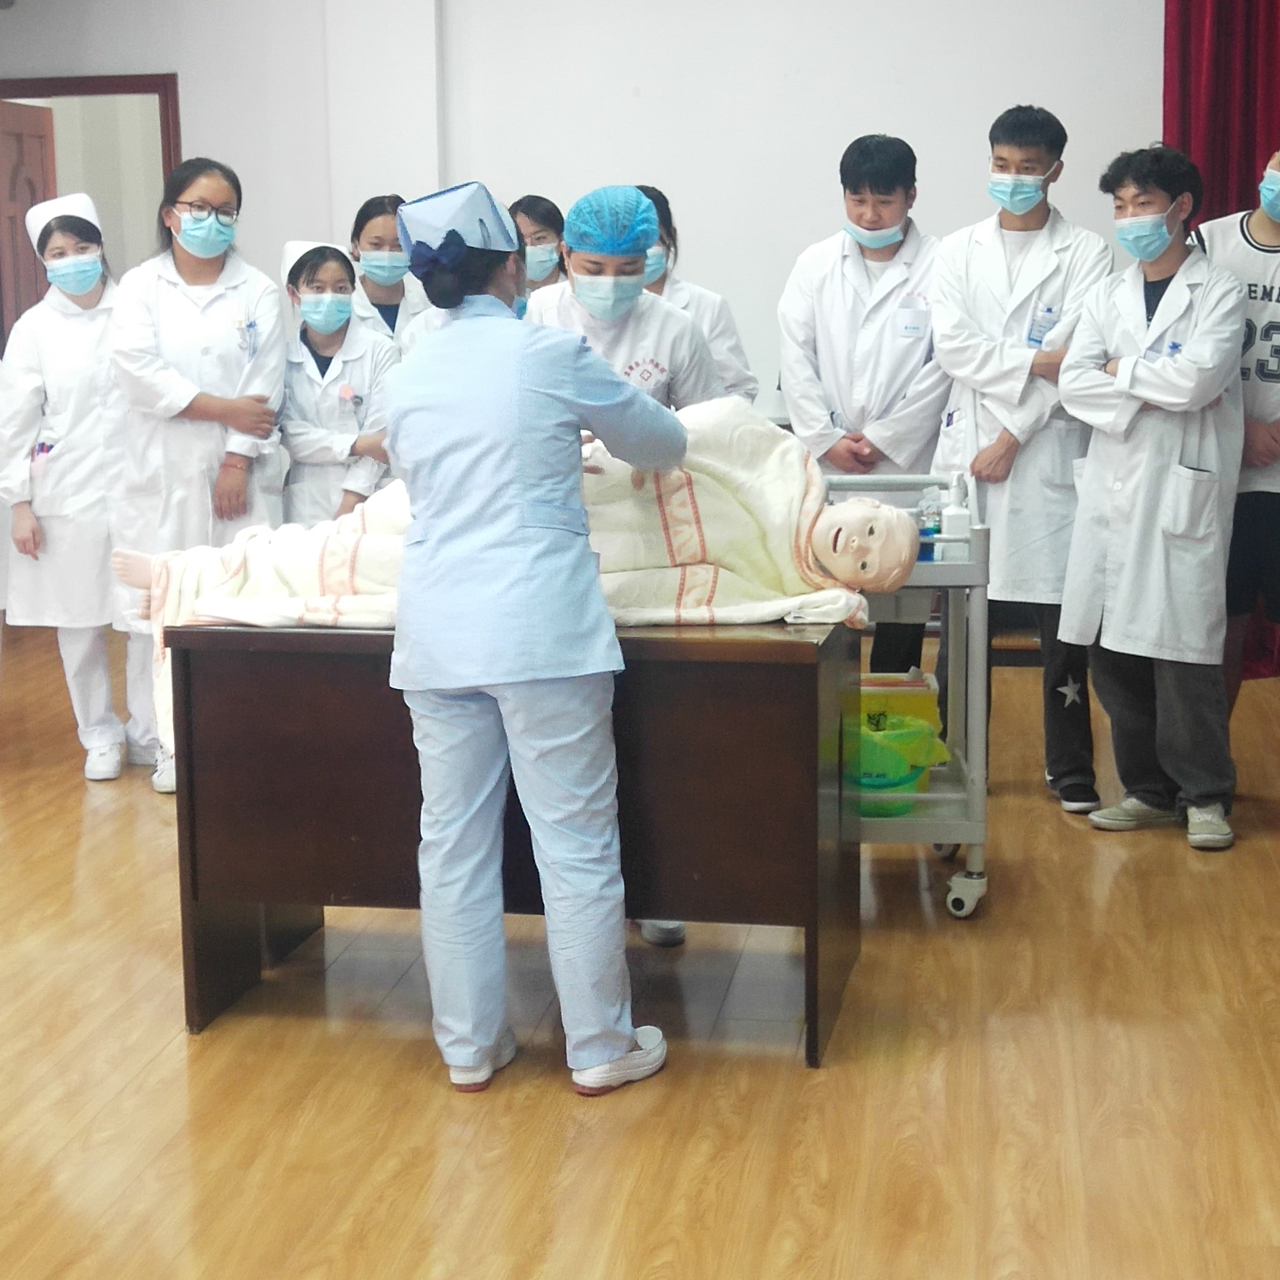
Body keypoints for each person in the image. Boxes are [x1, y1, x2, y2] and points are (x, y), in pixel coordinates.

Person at [389, 180, 687, 1094]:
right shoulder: (548, 352)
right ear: (515, 268)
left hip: (437, 633)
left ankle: (469, 1047)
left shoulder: (407, 371)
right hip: (540, 632)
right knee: (575, 842)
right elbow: (661, 444)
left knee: (452, 846)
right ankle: (598, 1046)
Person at [1059, 145, 1245, 851]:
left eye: (1143, 203)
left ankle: (1205, 796)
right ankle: (1146, 792)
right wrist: (1143, 380)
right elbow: (1074, 383)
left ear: (1181, 208)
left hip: (1179, 491)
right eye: (1120, 205)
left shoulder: (1217, 291)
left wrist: (1119, 370)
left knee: (1184, 656)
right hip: (1113, 492)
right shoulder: (1105, 294)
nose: (1130, 217)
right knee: (1112, 653)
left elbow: (1197, 381)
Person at [931, 106, 1112, 813]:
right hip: (970, 450)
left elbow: (1080, 359)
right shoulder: (958, 250)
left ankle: (1070, 768)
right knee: (963, 621)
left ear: (1055, 170)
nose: (1012, 179)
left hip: (1042, 454)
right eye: (1001, 165)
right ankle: (955, 759)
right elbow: (955, 348)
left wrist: (1011, 436)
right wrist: (1036, 360)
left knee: (1060, 624)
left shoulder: (1087, 253)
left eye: (1028, 168)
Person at [110, 156, 286, 792]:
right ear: (170, 214)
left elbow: (265, 386)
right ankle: (165, 744)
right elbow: (139, 374)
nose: (213, 221)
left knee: (235, 603)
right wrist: (223, 409)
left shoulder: (257, 290)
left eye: (225, 211)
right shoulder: (140, 287)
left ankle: (234, 736)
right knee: (155, 609)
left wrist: (236, 459)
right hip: (158, 470)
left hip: (236, 473)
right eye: (199, 208)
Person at [778, 134, 951, 674]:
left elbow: (945, 364)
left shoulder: (944, 264)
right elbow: (795, 357)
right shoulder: (815, 263)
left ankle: (893, 701)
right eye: (858, 200)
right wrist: (826, 438)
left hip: (907, 464)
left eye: (884, 201)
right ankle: (835, 709)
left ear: (911, 196)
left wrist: (885, 438)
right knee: (827, 593)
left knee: (905, 594)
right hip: (830, 463)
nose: (870, 215)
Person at [0, 194, 149, 780]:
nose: (73, 260)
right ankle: (99, 735)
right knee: (79, 620)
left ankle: (151, 733)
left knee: (142, 614)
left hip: (140, 484)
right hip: (66, 490)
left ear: (101, 246)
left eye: (82, 247)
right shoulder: (33, 329)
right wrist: (19, 504)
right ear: (44, 261)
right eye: (58, 253)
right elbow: (14, 423)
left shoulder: (137, 309)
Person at [1196, 151, 1280, 711]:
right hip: (1223, 467)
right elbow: (1180, 348)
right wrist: (1240, 426)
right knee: (1221, 625)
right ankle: (1212, 756)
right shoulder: (1209, 242)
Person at [526, 185, 725, 412]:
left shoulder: (675, 328)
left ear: (644, 261)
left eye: (628, 271)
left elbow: (707, 420)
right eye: (594, 270)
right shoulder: (540, 312)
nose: (610, 283)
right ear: (565, 253)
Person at [278, 241, 399, 526]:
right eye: (317, 288)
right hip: (306, 501)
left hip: (370, 498)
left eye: (341, 288)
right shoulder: (282, 358)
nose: (330, 297)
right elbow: (293, 438)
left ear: (353, 291)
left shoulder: (381, 351)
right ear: (294, 294)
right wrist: (358, 444)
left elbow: (382, 439)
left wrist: (350, 502)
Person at [636, 184, 758, 402]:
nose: (641, 250)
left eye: (651, 237)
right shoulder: (604, 307)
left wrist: (702, 420)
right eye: (633, 240)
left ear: (670, 237)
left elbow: (739, 389)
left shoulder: (708, 306)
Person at [348, 194, 433, 349]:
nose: (387, 253)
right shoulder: (343, 306)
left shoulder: (429, 303)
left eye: (398, 245)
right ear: (355, 246)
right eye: (376, 244)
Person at [509, 194, 566, 292]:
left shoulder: (577, 294)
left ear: (560, 240)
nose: (529, 247)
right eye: (521, 240)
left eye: (539, 238)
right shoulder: (502, 296)